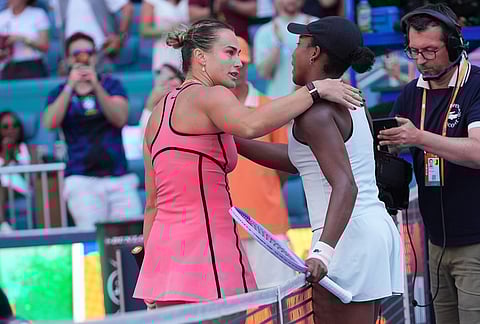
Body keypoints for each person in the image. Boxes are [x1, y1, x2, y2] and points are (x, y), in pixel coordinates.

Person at [133, 18, 363, 307]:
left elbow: (152, 203)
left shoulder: (159, 110)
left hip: (163, 268)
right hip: (207, 260)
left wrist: (151, 273)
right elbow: (252, 124)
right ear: (200, 57)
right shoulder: (210, 95)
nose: (239, 61)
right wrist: (314, 91)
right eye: (229, 52)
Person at [234, 16, 403, 323]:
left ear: (314, 53)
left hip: (345, 236)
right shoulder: (349, 96)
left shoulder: (316, 113)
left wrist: (322, 252)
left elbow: (344, 184)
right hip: (366, 229)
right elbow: (303, 161)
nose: (293, 53)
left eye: (299, 45)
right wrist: (234, 142)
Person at [378, 4, 480, 324]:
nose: (420, 60)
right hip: (434, 242)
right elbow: (392, 151)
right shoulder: (410, 94)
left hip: (475, 243)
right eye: (413, 51)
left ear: (453, 44)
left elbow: (478, 152)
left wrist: (420, 137)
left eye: (430, 51)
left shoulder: (476, 85)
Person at [42, 32, 143, 229]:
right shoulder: (59, 91)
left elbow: (120, 118)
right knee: (92, 240)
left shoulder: (111, 85)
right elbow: (50, 122)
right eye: (77, 54)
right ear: (68, 58)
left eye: (88, 52)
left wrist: (95, 85)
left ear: (95, 56)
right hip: (81, 180)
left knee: (130, 240)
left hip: (118, 177)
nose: (83, 58)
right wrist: (70, 85)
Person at [227, 36, 296, 289]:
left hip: (268, 223)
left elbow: (284, 165)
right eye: (231, 60)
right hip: (224, 229)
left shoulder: (269, 107)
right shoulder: (209, 111)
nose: (237, 68)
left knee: (278, 302)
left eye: (242, 62)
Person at [254, 0, 315, 98]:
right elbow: (263, 74)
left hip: (311, 100)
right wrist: (277, 45)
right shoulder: (265, 31)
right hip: (277, 100)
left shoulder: (317, 25)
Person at [49, 0, 133, 60]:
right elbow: (61, 26)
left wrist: (120, 38)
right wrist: (63, 59)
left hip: (102, 51)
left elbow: (128, 8)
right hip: (72, 56)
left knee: (105, 83)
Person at [0, 0, 49, 79]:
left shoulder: (38, 14)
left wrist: (23, 39)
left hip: (33, 65)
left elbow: (45, 46)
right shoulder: (2, 16)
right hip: (8, 67)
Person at [0, 111, 30, 232]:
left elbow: (34, 177)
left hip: (22, 189)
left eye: (15, 125)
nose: (11, 130)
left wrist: (13, 156)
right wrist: (6, 155)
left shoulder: (28, 149)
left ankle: (2, 225)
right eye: (5, 127)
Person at [140, 0, 189, 73]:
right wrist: (170, 29)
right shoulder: (150, 2)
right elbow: (145, 31)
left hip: (187, 50)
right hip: (164, 52)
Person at [188, 0, 256, 42]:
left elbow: (254, 10)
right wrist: (214, 8)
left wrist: (229, 2)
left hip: (239, 40)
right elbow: (191, 15)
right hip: (209, 41)